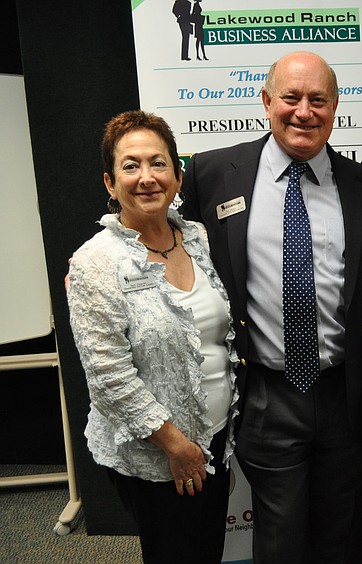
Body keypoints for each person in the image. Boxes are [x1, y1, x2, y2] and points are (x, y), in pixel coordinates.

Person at [180, 51, 362, 563]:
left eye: (318, 100)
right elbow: (167, 238)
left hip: (345, 391)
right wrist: (110, 255)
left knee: (342, 532)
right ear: (267, 101)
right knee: (279, 537)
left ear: (335, 107)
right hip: (265, 392)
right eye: (291, 98)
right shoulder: (213, 173)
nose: (304, 112)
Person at [67, 110, 238, 563]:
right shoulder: (96, 263)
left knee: (206, 551)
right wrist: (176, 447)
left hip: (215, 435)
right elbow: (108, 377)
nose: (147, 177)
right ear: (110, 183)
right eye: (131, 165)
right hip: (159, 452)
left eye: (158, 163)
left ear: (178, 176)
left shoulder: (197, 238)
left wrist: (204, 442)